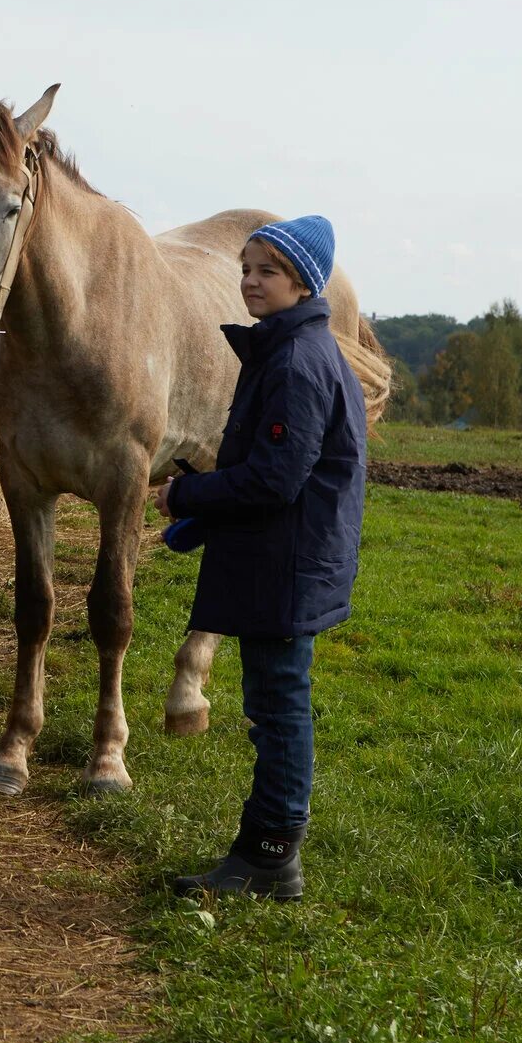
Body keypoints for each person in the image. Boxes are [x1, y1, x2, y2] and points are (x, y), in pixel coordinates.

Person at [154, 215, 366, 901]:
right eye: (245, 267)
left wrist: (189, 493)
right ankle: (268, 849)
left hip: (286, 565)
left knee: (278, 707)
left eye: (267, 270)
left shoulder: (298, 362)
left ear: (304, 281)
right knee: (273, 702)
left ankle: (272, 855)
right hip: (284, 560)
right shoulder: (286, 350)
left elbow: (276, 478)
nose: (249, 281)